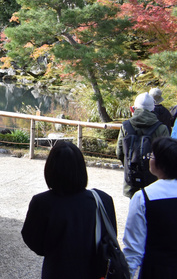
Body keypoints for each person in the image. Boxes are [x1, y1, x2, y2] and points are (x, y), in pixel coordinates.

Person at [21, 140, 116, 279]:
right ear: (81, 168)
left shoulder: (42, 203)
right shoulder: (102, 199)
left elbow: (33, 240)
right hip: (95, 271)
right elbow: (110, 236)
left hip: (57, 270)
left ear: (50, 169)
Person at [122, 137, 177, 277]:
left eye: (151, 155)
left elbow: (134, 249)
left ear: (159, 162)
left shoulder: (143, 197)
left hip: (156, 271)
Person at [116, 92, 170, 198]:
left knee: (135, 209)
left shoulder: (125, 126)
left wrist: (129, 164)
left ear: (134, 108)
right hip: (154, 181)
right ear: (152, 109)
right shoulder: (161, 128)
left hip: (132, 178)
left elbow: (119, 152)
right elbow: (166, 156)